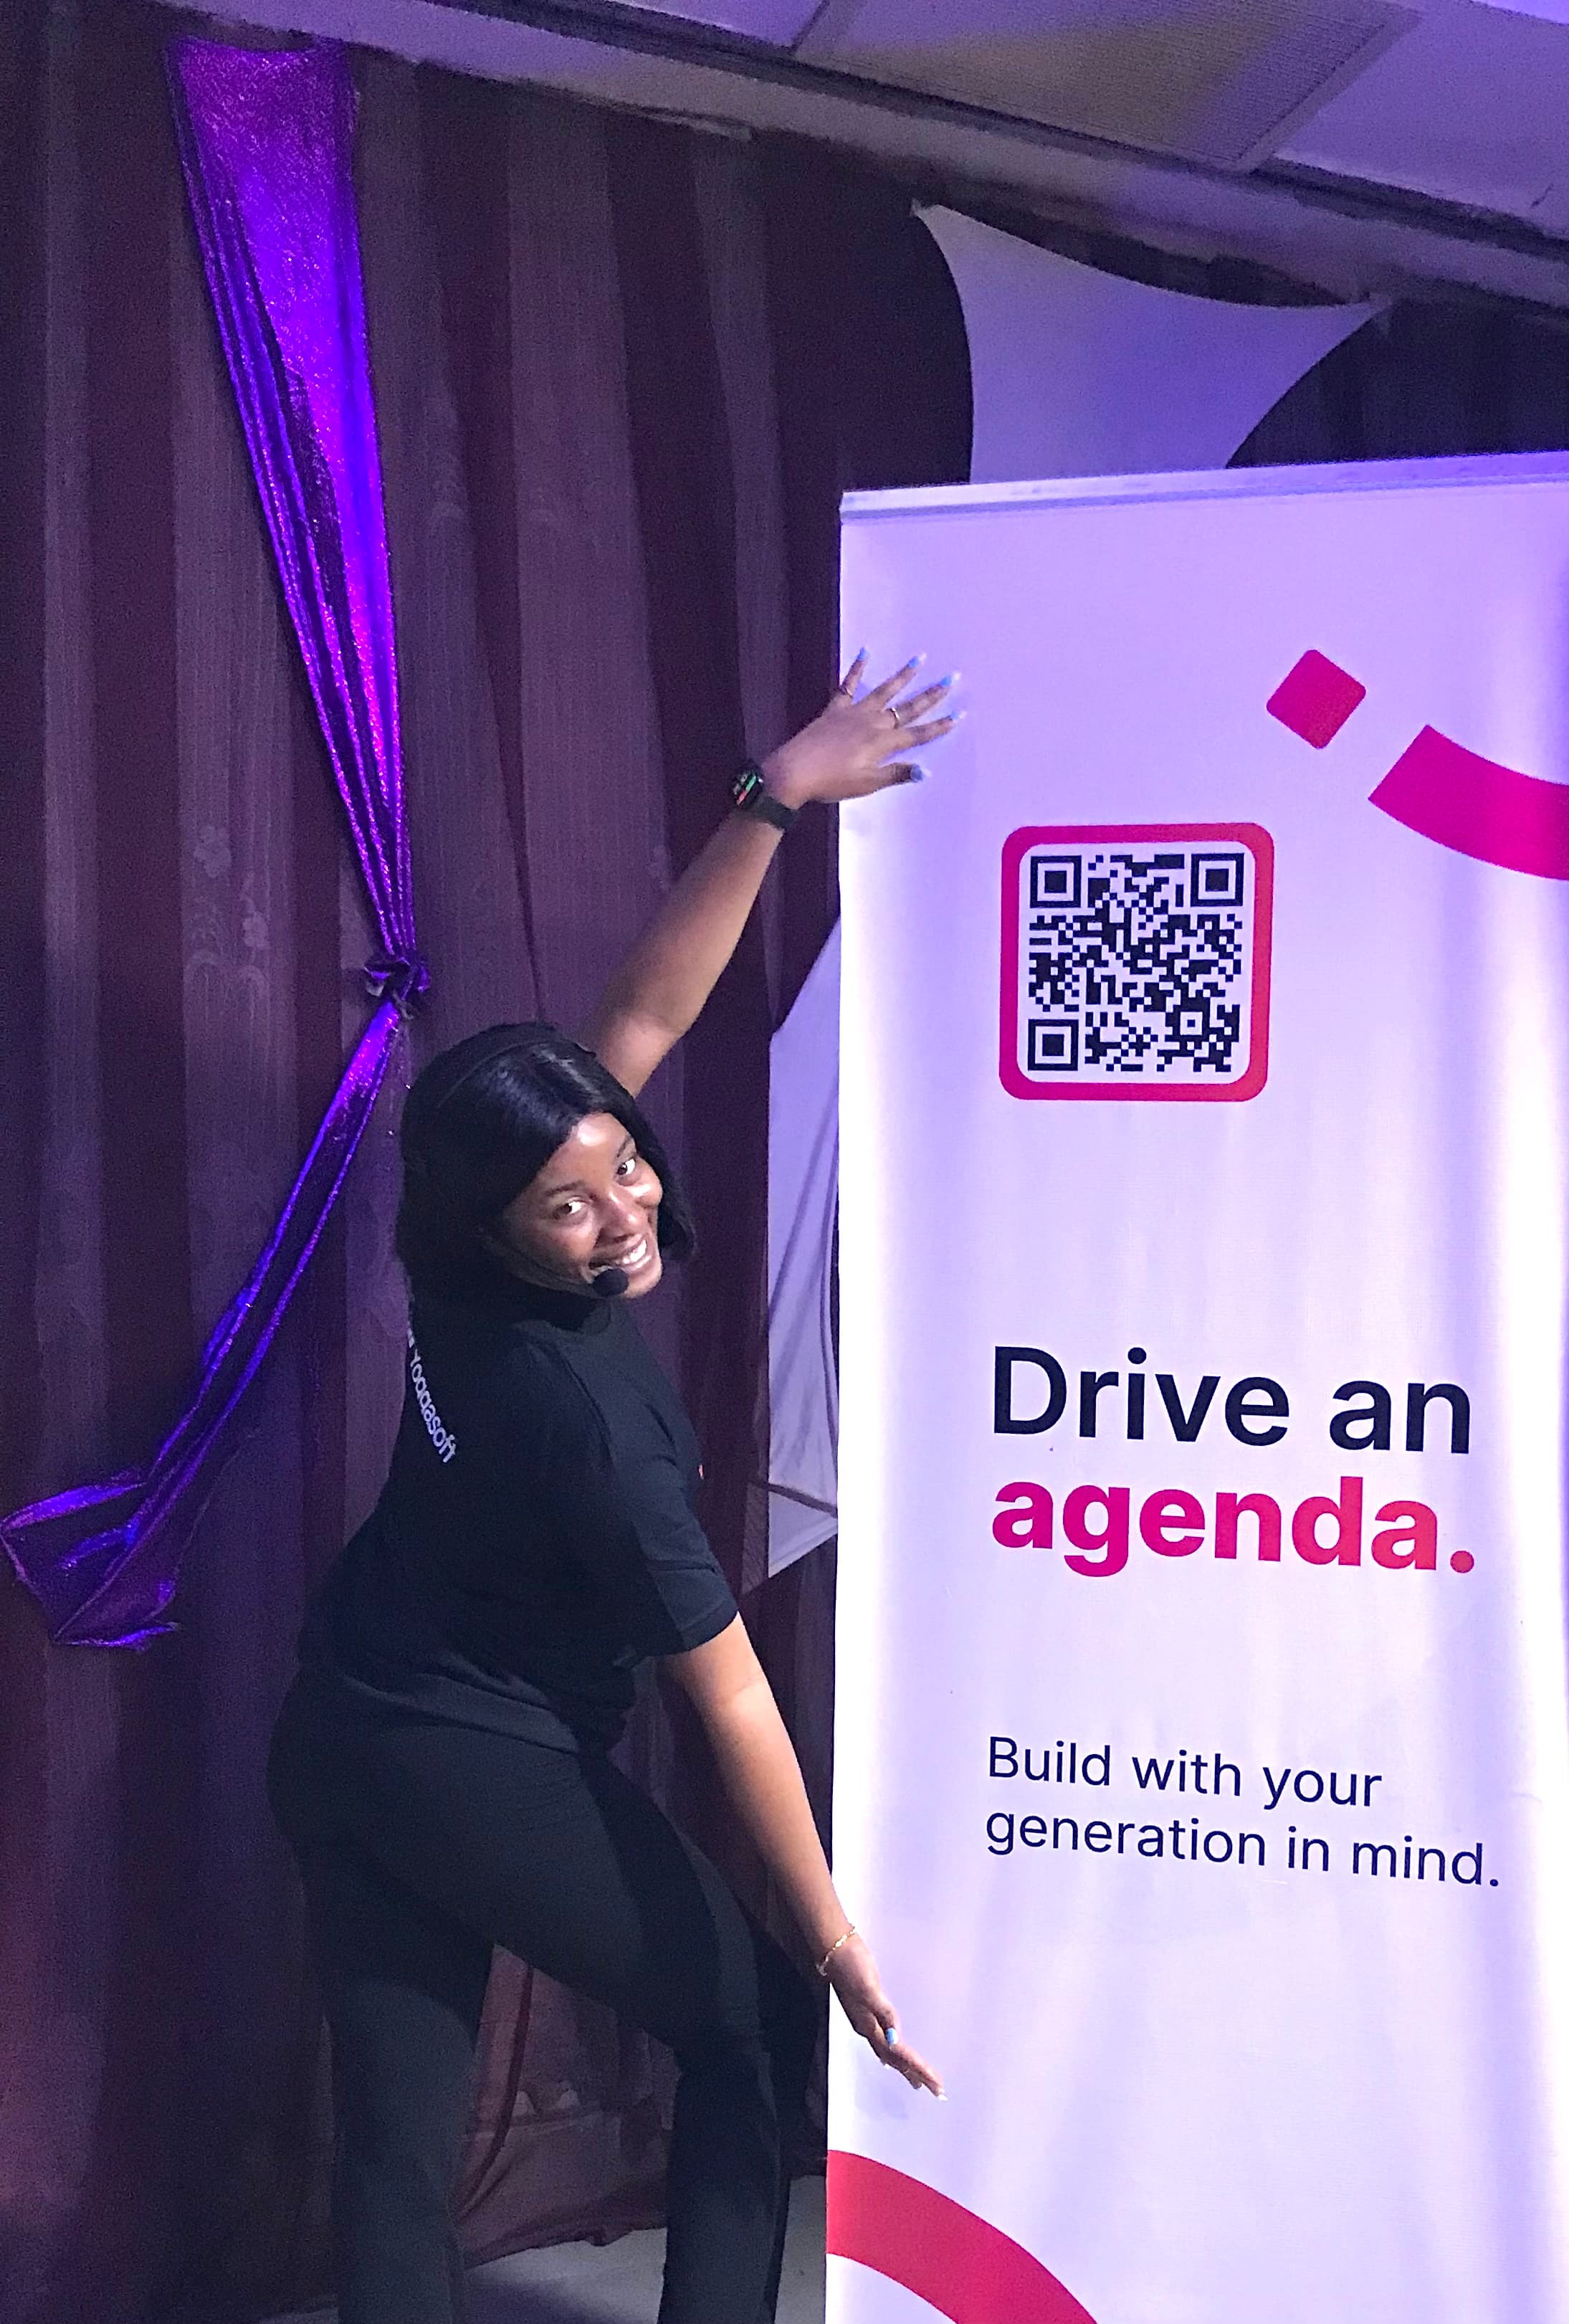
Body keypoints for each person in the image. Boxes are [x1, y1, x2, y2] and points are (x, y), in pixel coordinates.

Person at [268, 654, 956, 2324]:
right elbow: (731, 1700)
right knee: (750, 2030)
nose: (626, 1205)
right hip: (464, 1757)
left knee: (397, 2148)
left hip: (344, 1731)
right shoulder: (596, 1430)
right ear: (504, 1223)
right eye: (572, 1206)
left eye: (623, 1164)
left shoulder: (460, 1258)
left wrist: (774, 796)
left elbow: (642, 1011)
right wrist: (831, 1942)